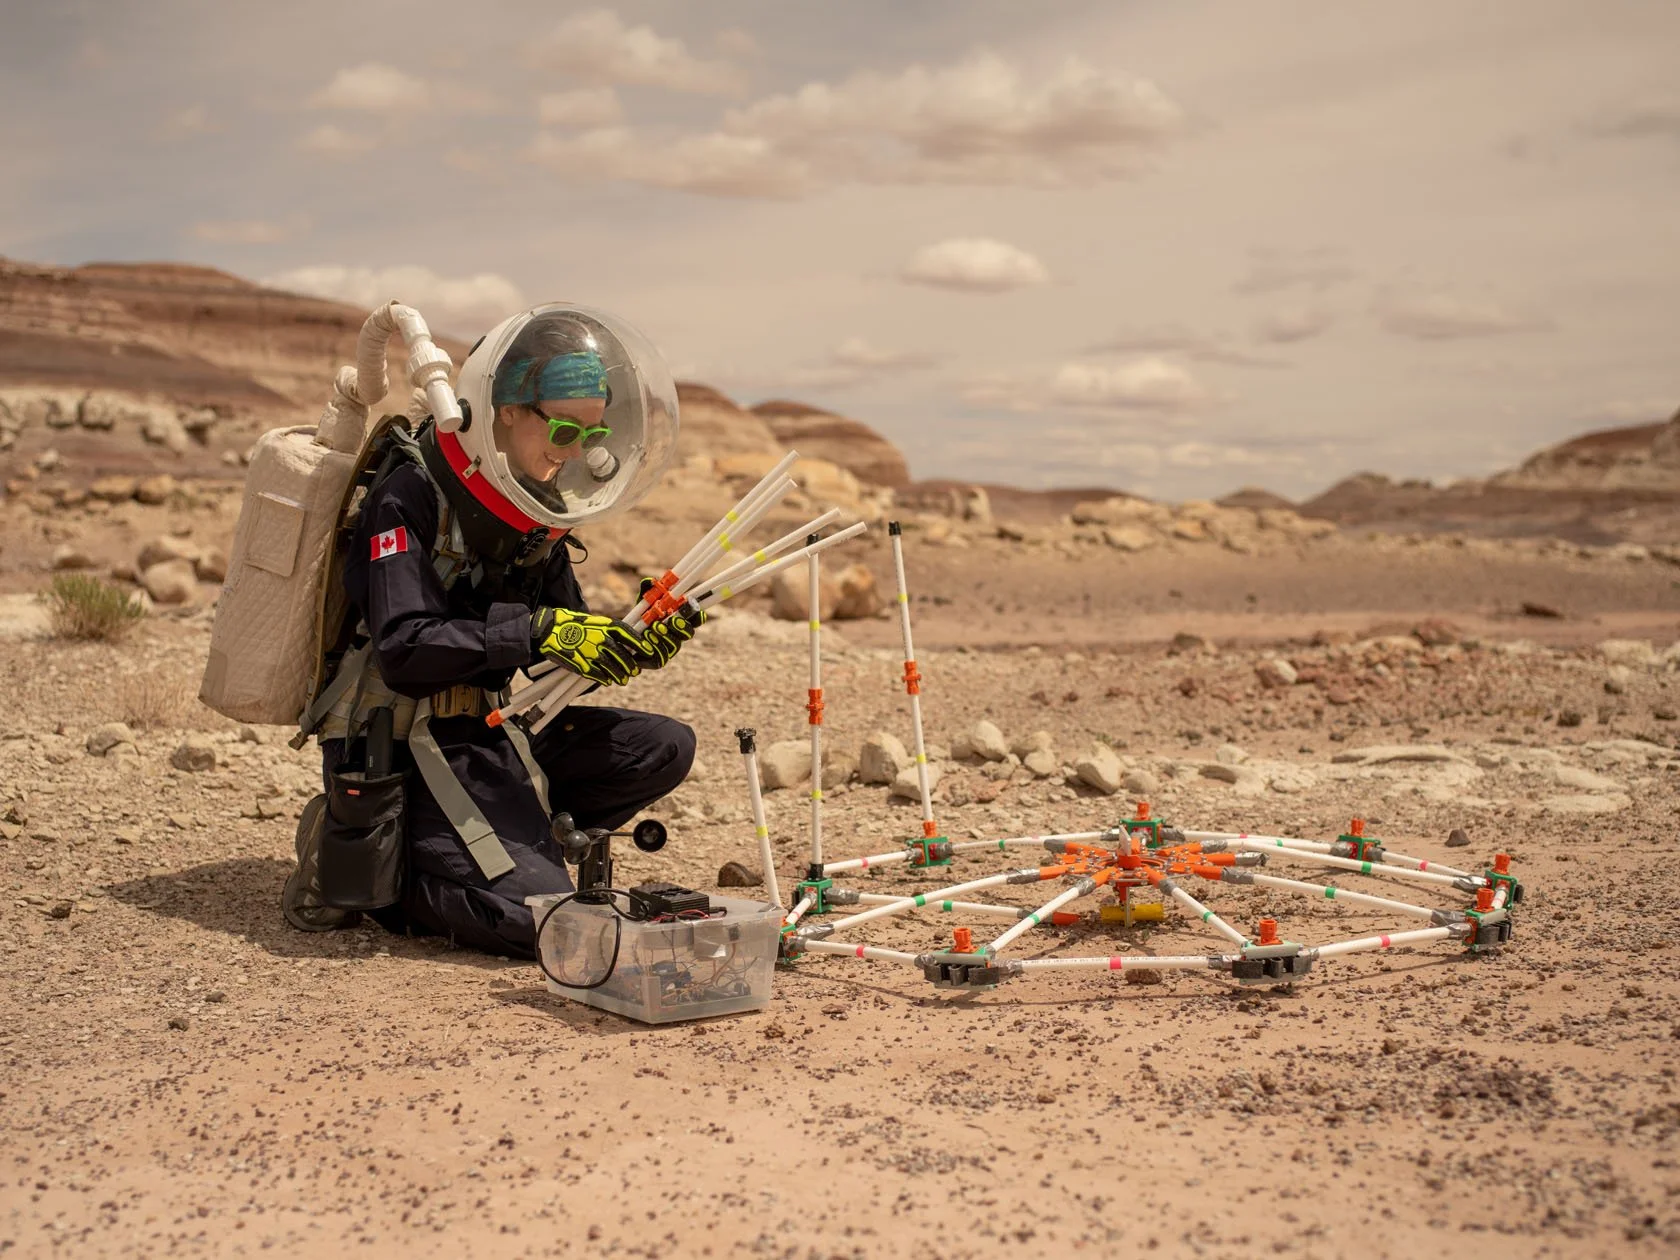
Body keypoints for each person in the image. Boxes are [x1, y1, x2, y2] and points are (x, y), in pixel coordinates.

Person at [282, 304, 699, 958]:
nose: (575, 454)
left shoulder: (533, 506)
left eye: (590, 436)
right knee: (546, 924)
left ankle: (512, 844)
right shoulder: (408, 495)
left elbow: (557, 648)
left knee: (664, 746)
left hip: (495, 736)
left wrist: (633, 636)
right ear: (508, 412)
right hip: (403, 744)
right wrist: (537, 631)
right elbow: (405, 649)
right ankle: (378, 869)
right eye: (564, 431)